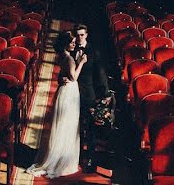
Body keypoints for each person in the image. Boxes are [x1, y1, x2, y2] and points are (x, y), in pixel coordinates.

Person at [26, 31, 84, 178]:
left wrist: (62, 78)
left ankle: (59, 154)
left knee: (62, 124)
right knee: (67, 124)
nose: (73, 44)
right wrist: (82, 63)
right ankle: (61, 159)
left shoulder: (62, 56)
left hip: (64, 90)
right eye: (71, 42)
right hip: (70, 92)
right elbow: (74, 77)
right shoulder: (69, 58)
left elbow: (63, 75)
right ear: (65, 43)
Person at [71, 23, 111, 173]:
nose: (79, 37)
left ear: (86, 35)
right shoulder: (71, 48)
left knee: (90, 128)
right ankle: (76, 157)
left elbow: (100, 73)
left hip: (88, 94)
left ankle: (91, 159)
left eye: (82, 34)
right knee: (75, 127)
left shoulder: (93, 51)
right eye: (77, 34)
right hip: (72, 93)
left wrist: (105, 93)